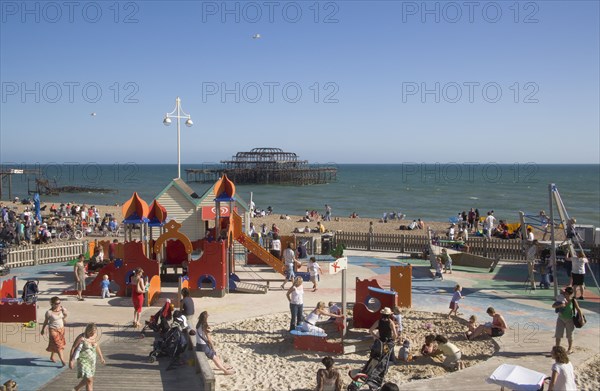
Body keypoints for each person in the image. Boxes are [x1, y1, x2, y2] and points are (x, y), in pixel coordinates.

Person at [195, 311, 235, 375]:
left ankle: (222, 366)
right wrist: (213, 347)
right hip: (203, 345)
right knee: (214, 357)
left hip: (199, 344)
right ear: (206, 318)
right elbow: (208, 338)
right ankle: (224, 370)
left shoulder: (198, 324)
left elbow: (201, 333)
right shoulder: (204, 325)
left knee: (215, 355)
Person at [69, 323, 105, 391]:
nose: (92, 334)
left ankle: (76, 388)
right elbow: (73, 348)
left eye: (93, 332)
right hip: (83, 360)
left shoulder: (94, 335)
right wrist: (71, 361)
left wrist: (101, 357)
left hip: (92, 361)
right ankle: (76, 388)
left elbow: (97, 346)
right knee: (89, 379)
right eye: (90, 332)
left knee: (89, 380)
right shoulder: (81, 337)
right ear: (87, 330)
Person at [40, 296, 68, 366]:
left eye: (59, 303)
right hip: (53, 330)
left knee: (55, 344)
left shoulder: (62, 309)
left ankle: (52, 356)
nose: (58, 304)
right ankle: (62, 361)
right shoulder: (49, 312)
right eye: (56, 303)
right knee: (59, 345)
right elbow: (46, 321)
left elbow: (65, 316)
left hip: (61, 329)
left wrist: (65, 314)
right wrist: (43, 329)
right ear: (52, 304)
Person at [553, 286, 580, 354]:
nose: (566, 295)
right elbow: (553, 306)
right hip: (561, 318)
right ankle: (557, 349)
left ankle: (570, 349)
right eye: (565, 294)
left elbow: (578, 309)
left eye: (567, 294)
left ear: (570, 294)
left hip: (570, 319)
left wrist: (581, 318)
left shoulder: (573, 300)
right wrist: (560, 305)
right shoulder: (561, 299)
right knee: (558, 335)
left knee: (570, 335)